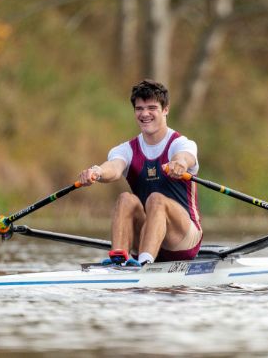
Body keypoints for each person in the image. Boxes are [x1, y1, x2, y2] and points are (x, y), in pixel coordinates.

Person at [78, 79, 201, 267]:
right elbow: (114, 168)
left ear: (165, 109)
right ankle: (119, 260)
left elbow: (184, 157)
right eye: (139, 109)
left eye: (151, 108)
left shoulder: (181, 143)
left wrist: (180, 164)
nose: (144, 114)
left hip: (182, 240)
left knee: (156, 199)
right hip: (147, 236)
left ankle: (144, 264)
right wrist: (97, 171)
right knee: (125, 199)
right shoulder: (127, 149)